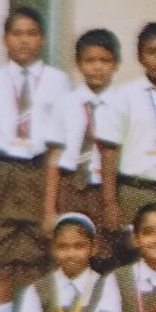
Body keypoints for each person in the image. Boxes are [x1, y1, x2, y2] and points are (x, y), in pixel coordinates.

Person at [0, 7, 72, 312]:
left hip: (40, 172)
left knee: (37, 264)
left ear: (42, 39)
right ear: (5, 39)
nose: (24, 40)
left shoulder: (58, 82)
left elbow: (59, 142)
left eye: (32, 33)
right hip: (3, 171)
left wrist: (51, 205)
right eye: (17, 33)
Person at [97, 22, 156, 261]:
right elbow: (109, 151)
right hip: (134, 192)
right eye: (152, 52)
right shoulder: (123, 97)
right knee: (132, 260)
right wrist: (110, 203)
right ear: (140, 57)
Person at [43, 28, 120, 269]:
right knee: (71, 253)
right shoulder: (65, 103)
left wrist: (112, 202)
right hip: (71, 187)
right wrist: (49, 209)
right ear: (78, 64)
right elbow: (54, 156)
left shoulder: (123, 104)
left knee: (104, 253)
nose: (97, 67)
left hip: (106, 189)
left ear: (116, 64)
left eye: (104, 61)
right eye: (90, 60)